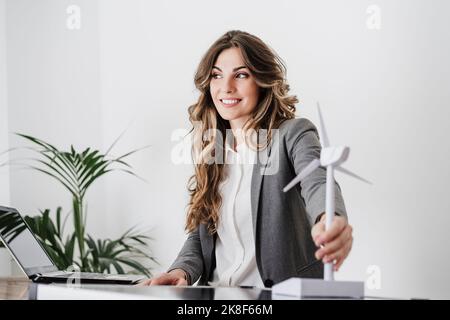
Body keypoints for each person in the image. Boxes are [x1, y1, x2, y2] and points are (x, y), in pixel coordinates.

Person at [140, 30, 353, 288]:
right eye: (217, 75)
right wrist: (182, 270)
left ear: (262, 80)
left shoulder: (293, 134)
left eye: (241, 75)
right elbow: (202, 234)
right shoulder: (213, 149)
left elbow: (317, 180)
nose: (226, 87)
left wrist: (330, 219)